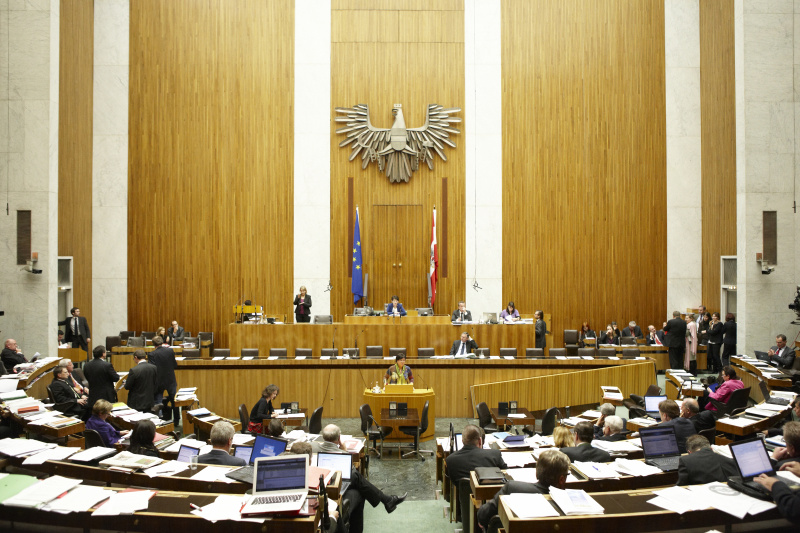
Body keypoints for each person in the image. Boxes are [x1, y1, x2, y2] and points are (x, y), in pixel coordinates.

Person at [310, 424, 406, 533]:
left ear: (323, 437)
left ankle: (388, 500)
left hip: (321, 485)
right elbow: (351, 472)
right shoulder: (341, 454)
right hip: (332, 487)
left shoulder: (312, 446)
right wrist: (345, 450)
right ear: (339, 438)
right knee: (356, 478)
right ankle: (387, 500)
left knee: (358, 488)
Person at [476, 449, 570, 530]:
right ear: (562, 479)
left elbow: (483, 515)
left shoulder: (512, 488)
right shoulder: (570, 504)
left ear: (536, 473)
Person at [83, 345, 120, 420]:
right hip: (106, 395)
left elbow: (87, 377)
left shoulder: (86, 365)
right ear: (103, 354)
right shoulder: (107, 365)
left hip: (93, 393)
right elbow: (116, 378)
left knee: (95, 415)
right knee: (107, 416)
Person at [149, 336, 179, 423]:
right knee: (174, 401)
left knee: (158, 402)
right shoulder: (170, 351)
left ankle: (160, 421)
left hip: (158, 382)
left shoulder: (152, 354)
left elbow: (152, 369)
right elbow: (174, 365)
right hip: (170, 380)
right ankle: (176, 420)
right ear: (162, 342)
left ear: (154, 344)